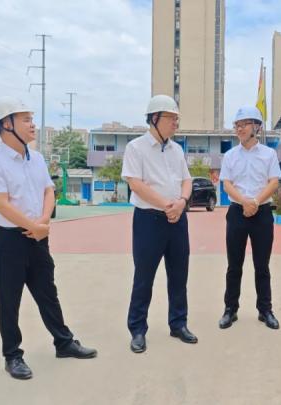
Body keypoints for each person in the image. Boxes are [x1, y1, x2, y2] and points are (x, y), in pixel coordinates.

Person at [0, 96, 97, 380]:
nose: (33, 125)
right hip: (10, 241)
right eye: (26, 120)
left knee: (48, 293)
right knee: (10, 301)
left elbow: (48, 191)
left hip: (38, 237)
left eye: (32, 119)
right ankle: (12, 355)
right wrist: (34, 225)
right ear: (6, 124)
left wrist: (43, 223)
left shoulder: (37, 158)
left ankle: (64, 343)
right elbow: (1, 204)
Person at [121, 95, 196, 353]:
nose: (176, 123)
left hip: (178, 220)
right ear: (155, 118)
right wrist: (167, 205)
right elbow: (136, 183)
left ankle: (178, 323)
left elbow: (187, 180)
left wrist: (182, 202)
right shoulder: (136, 148)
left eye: (177, 119)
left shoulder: (177, 150)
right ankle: (137, 329)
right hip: (149, 221)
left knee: (179, 275)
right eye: (171, 118)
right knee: (144, 277)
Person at [218, 106, 281, 330]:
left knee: (262, 265)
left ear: (257, 127)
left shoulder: (269, 154)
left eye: (244, 124)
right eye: (237, 125)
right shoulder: (230, 155)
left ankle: (265, 310)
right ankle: (230, 309)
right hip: (237, 212)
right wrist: (244, 202)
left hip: (262, 213)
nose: (239, 129)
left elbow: (273, 182)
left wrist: (255, 202)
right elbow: (227, 184)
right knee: (234, 265)